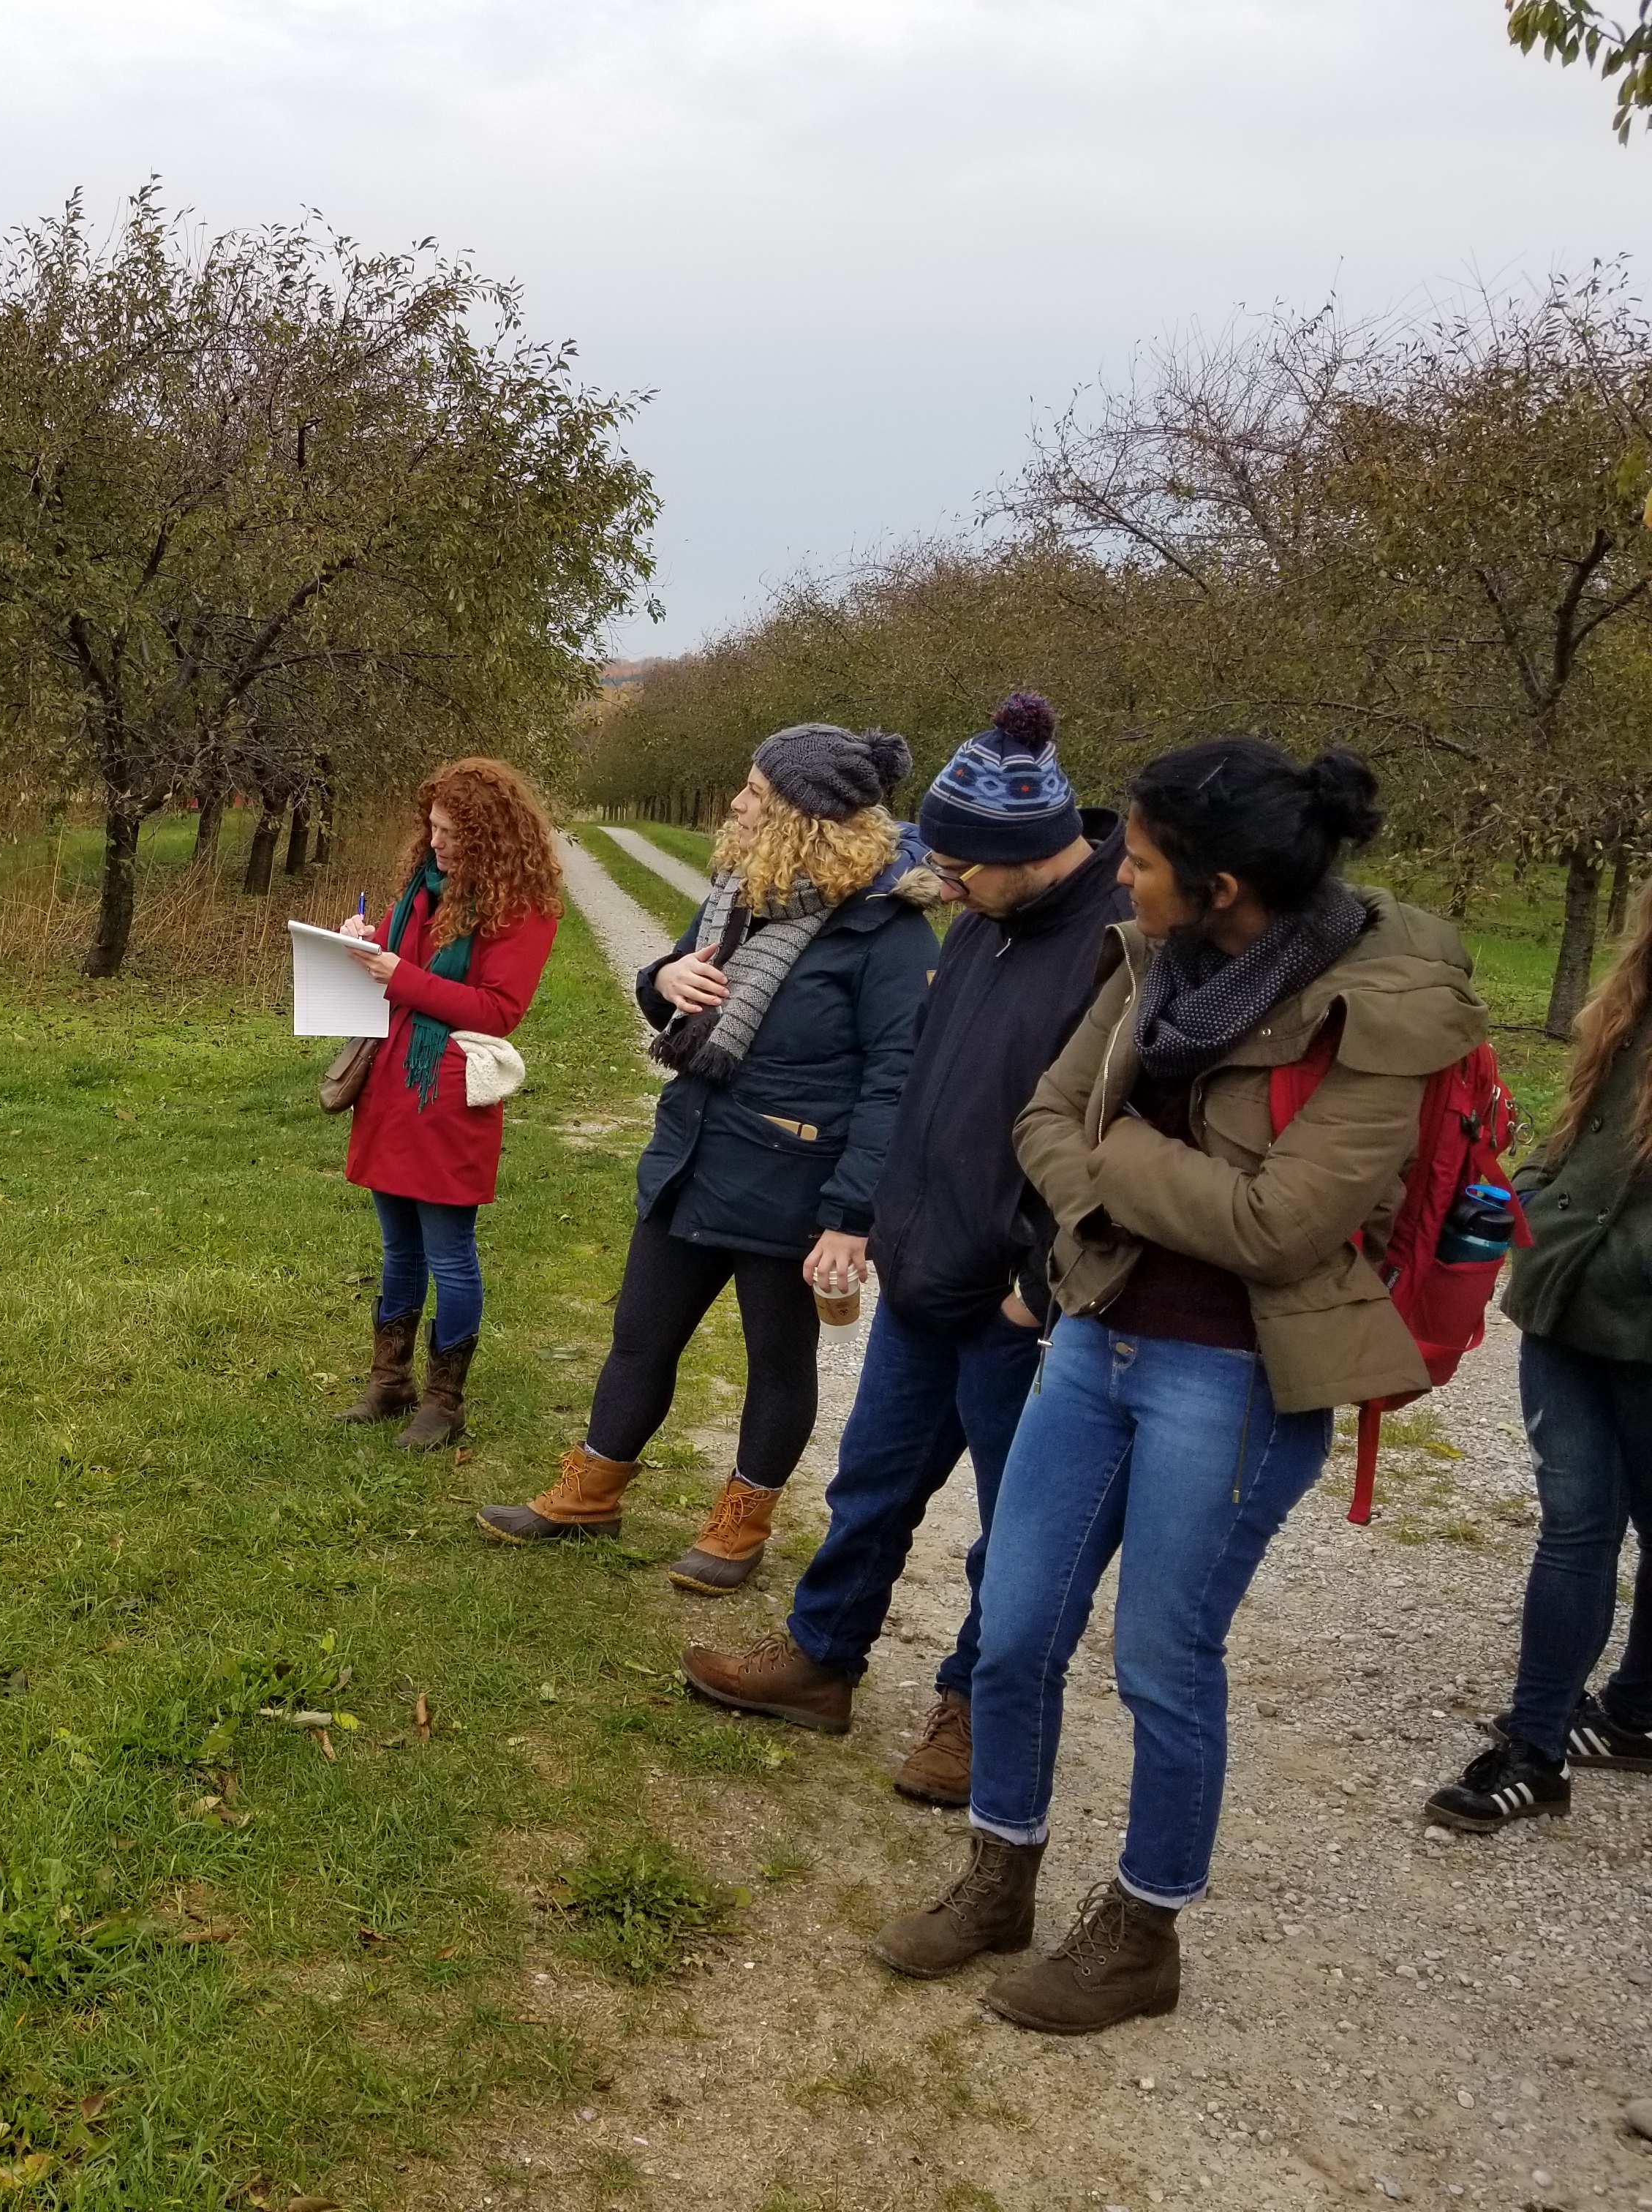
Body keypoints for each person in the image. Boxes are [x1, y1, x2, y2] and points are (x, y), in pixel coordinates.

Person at [872, 739, 1485, 2037]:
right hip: (1096, 1335)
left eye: (1140, 859)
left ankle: (1142, 1927)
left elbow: (1278, 1229)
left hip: (1240, 1374)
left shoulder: (1382, 1007)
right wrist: (1131, 1164)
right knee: (1017, 1620)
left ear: (1217, 884)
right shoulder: (1151, 956)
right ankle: (1000, 1872)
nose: (1119, 873)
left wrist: (1117, 1150)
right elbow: (1041, 1119)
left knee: (1161, 1655)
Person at [682, 694, 1133, 1805]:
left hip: (1023, 1304)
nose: (944, 880)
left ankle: (977, 1710)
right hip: (929, 1271)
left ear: (1030, 851)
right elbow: (920, 1082)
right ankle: (821, 1660)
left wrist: (1039, 1282)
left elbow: (1119, 1134)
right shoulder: (982, 917)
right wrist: (875, 1216)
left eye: (966, 863)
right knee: (870, 1485)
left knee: (1015, 1531)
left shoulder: (1116, 947)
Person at [475, 723, 935, 1591]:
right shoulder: (739, 888)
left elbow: (895, 1087)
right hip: (693, 1154)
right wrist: (661, 982)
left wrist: (850, 1218)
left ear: (807, 817)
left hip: (795, 1181)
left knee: (776, 1358)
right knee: (639, 1336)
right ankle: (592, 1491)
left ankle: (741, 1522)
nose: (736, 803)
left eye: (757, 792)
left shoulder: (888, 931)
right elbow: (681, 992)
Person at [1425, 885, 1652, 1829]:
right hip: (1564, 1311)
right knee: (1577, 1526)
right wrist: (1533, 1201)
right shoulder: (1632, 999)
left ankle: (1637, 1713)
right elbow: (1573, 1139)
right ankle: (1538, 1747)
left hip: (1641, 1328)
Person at [330, 757, 564, 1450]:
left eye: (452, 833)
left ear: (490, 835)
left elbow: (497, 1009)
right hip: (391, 1085)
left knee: (450, 1252)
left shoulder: (521, 907)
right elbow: (405, 963)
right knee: (398, 1246)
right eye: (431, 828)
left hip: (449, 1094)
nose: (436, 843)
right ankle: (390, 1380)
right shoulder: (422, 888)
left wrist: (401, 976)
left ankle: (444, 1399)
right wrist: (365, 943)